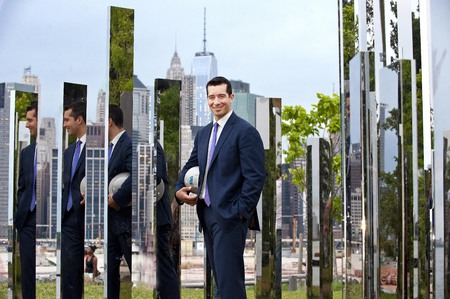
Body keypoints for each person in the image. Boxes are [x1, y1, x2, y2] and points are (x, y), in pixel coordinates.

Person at [175, 76, 266, 298]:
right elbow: (191, 164)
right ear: (207, 99)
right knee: (220, 281)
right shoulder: (204, 133)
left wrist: (239, 213)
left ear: (231, 97)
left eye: (221, 96)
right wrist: (179, 190)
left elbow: (255, 177)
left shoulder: (245, 132)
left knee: (229, 282)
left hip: (230, 216)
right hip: (206, 214)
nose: (216, 102)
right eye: (212, 97)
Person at [61, 100, 87, 298]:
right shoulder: (68, 152)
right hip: (69, 217)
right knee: (70, 271)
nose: (64, 124)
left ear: (79, 119)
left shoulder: (98, 147)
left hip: (90, 216)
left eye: (67, 120)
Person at [107, 104, 132, 298]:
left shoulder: (128, 144)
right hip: (111, 225)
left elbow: (139, 175)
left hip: (126, 224)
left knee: (135, 272)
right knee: (110, 277)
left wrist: (117, 199)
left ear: (109, 121)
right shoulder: (109, 148)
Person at [14, 103, 38, 299]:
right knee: (28, 271)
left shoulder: (61, 152)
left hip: (52, 220)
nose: (27, 125)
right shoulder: (26, 153)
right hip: (27, 220)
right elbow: (22, 187)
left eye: (30, 120)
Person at [156, 141, 180, 299]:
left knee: (163, 267)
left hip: (156, 219)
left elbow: (155, 179)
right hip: (151, 220)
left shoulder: (151, 145)